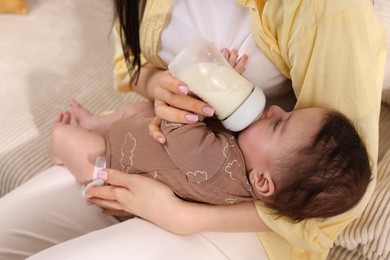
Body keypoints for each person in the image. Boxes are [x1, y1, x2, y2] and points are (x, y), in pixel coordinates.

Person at [0, 0, 386, 259]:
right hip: (154, 160)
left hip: (244, 214)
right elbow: (131, 63)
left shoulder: (331, 11)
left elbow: (331, 202)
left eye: (279, 119)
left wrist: (185, 217)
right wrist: (161, 87)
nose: (272, 111)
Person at [49, 103, 371, 220]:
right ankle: (95, 123)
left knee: (68, 140)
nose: (273, 108)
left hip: (114, 164)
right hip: (135, 135)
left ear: (261, 181)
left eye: (278, 124)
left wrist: (210, 88)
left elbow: (179, 123)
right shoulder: (239, 161)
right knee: (138, 110)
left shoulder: (216, 164)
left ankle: (59, 151)